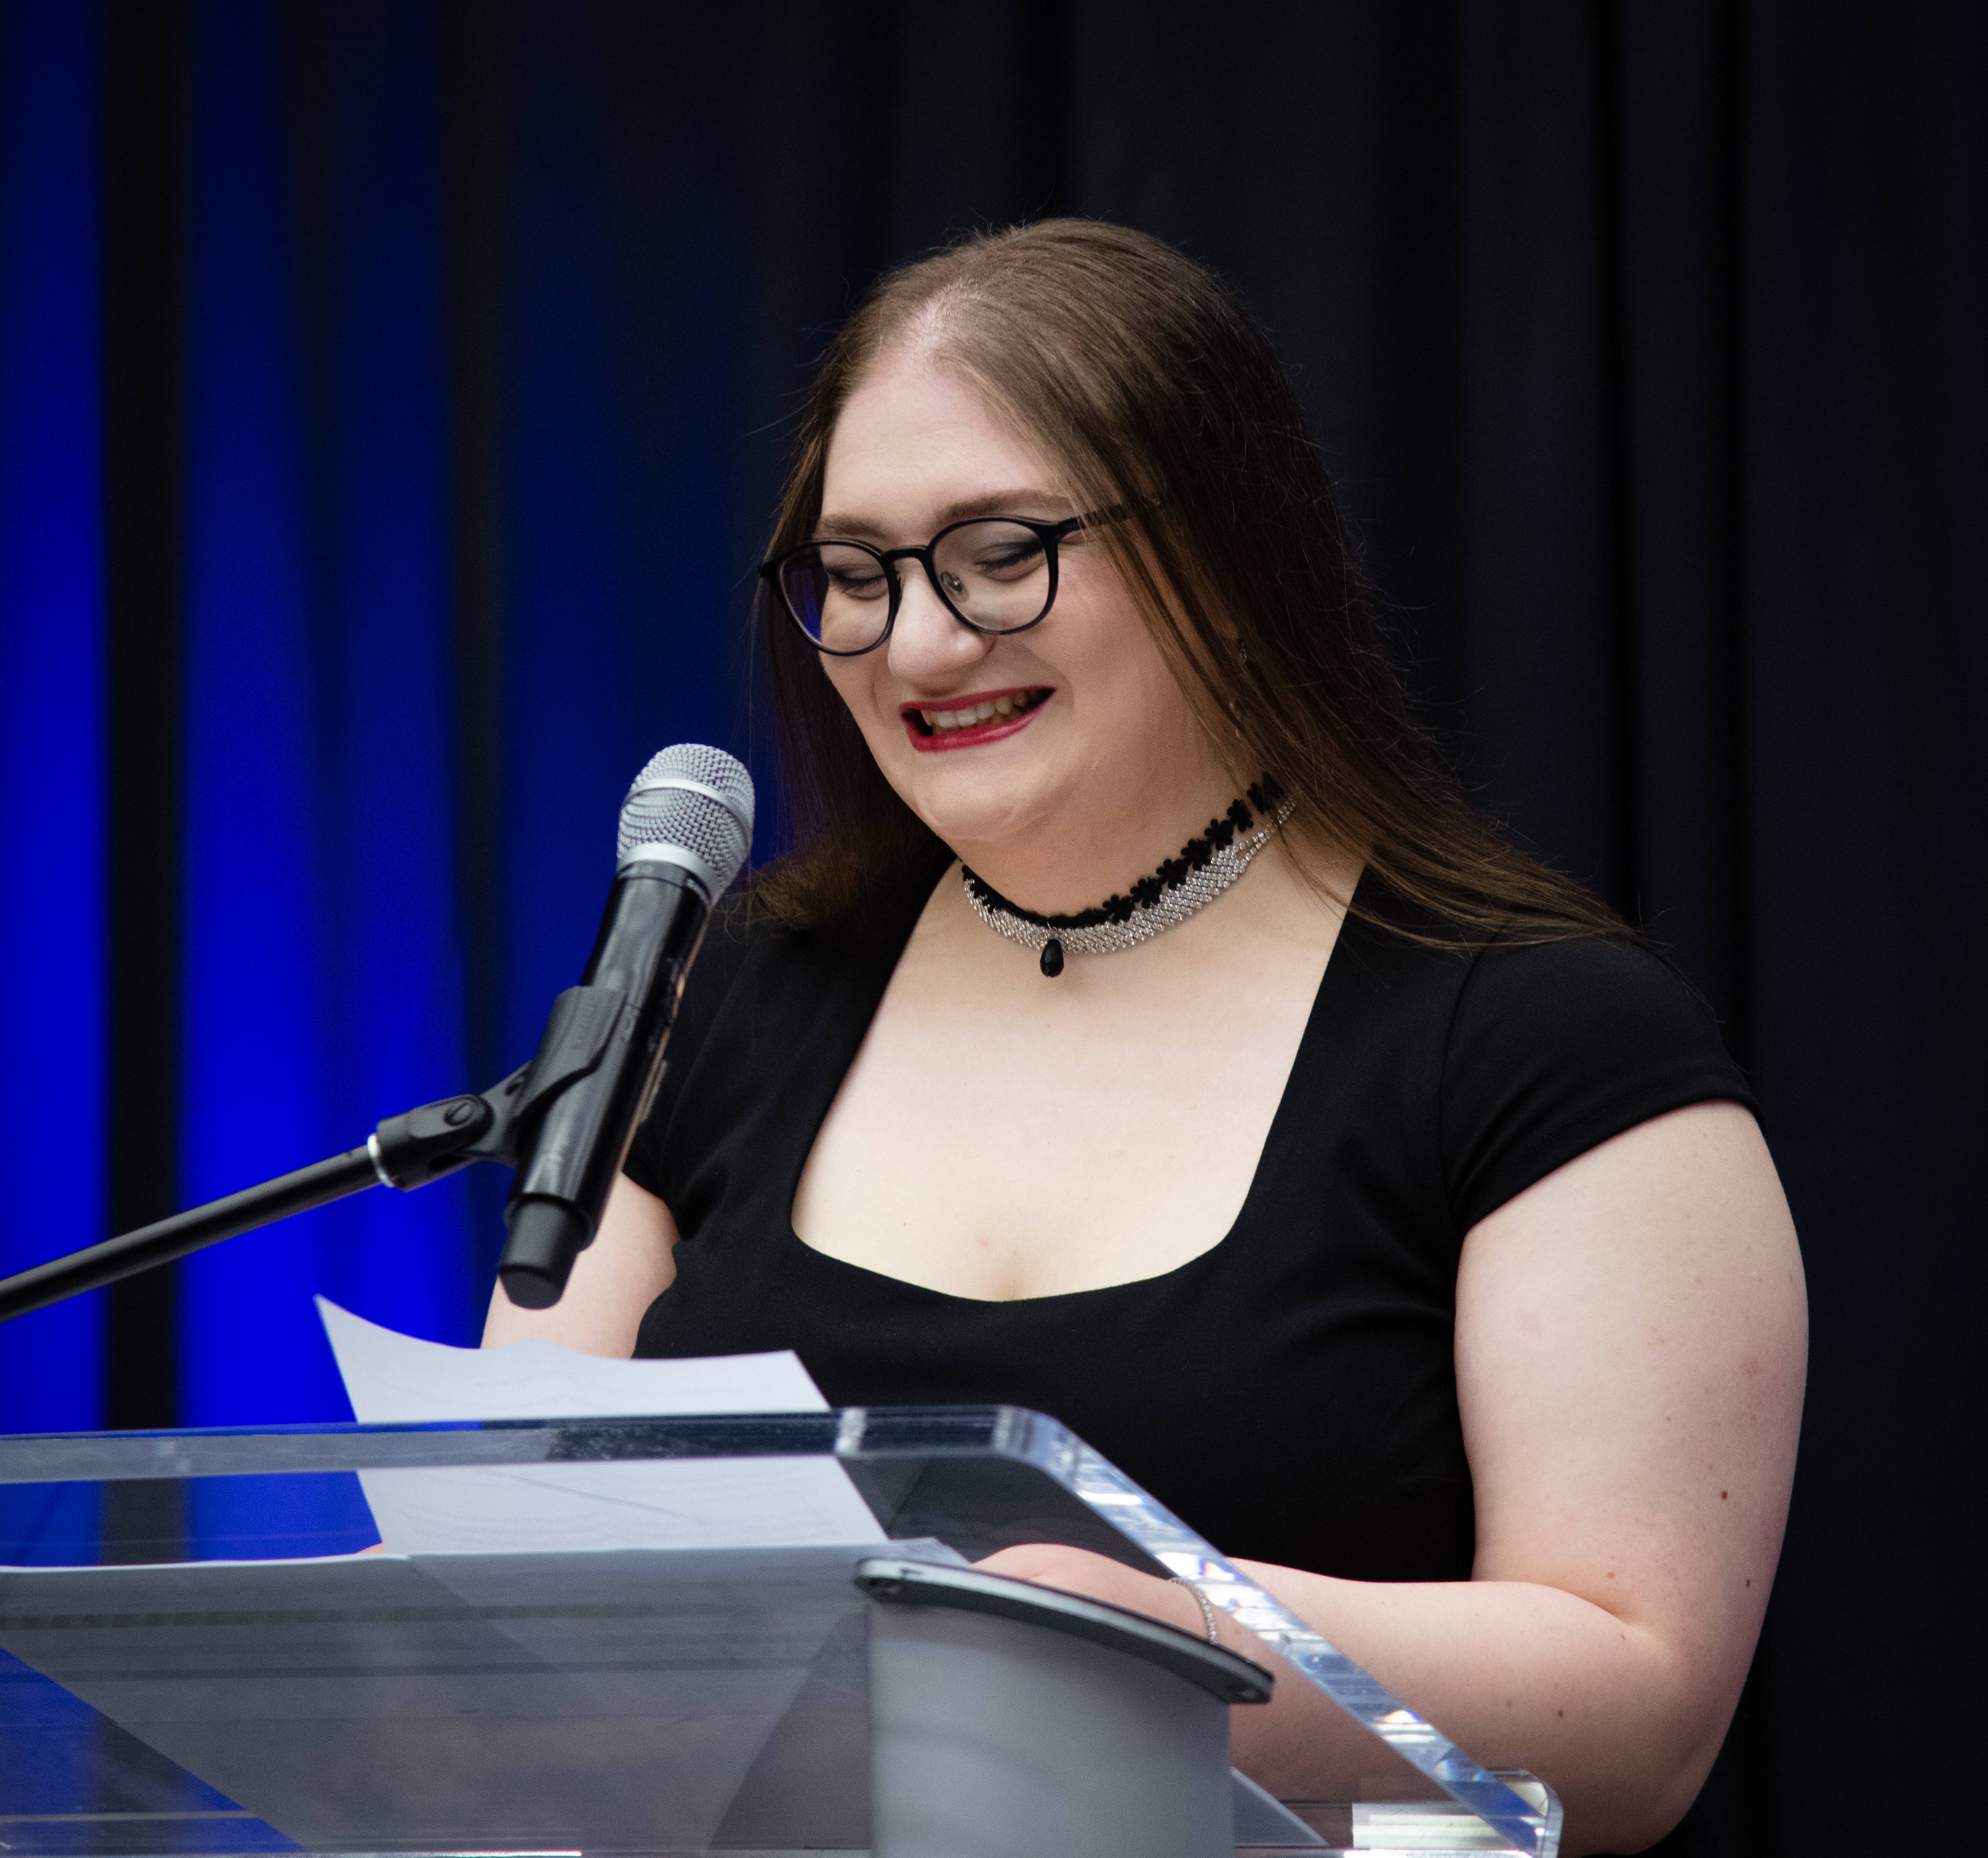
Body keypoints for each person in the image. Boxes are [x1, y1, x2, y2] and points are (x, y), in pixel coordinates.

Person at [485, 220, 1805, 1857]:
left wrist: (1142, 1636)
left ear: (1231, 561)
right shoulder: (723, 991)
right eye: (857, 571)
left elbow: (1640, 1701)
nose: (918, 642)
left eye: (1000, 550)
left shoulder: (1545, 1041)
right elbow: (503, 1569)